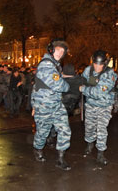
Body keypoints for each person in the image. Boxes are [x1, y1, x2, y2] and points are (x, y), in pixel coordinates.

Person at [31, 39, 71, 171]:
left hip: (56, 104)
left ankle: (60, 159)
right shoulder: (46, 65)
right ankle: (37, 149)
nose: (60, 53)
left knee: (64, 130)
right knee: (43, 131)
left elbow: (37, 85)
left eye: (62, 51)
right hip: (44, 105)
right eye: (58, 50)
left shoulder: (54, 65)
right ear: (51, 49)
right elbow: (58, 84)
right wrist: (68, 85)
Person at [79, 50, 117, 165]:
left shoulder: (110, 74)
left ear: (105, 64)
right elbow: (82, 80)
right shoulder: (88, 70)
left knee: (101, 129)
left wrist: (84, 89)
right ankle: (90, 144)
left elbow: (99, 92)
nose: (97, 66)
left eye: (100, 64)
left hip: (104, 106)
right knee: (89, 127)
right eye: (95, 63)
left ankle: (100, 153)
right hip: (90, 105)